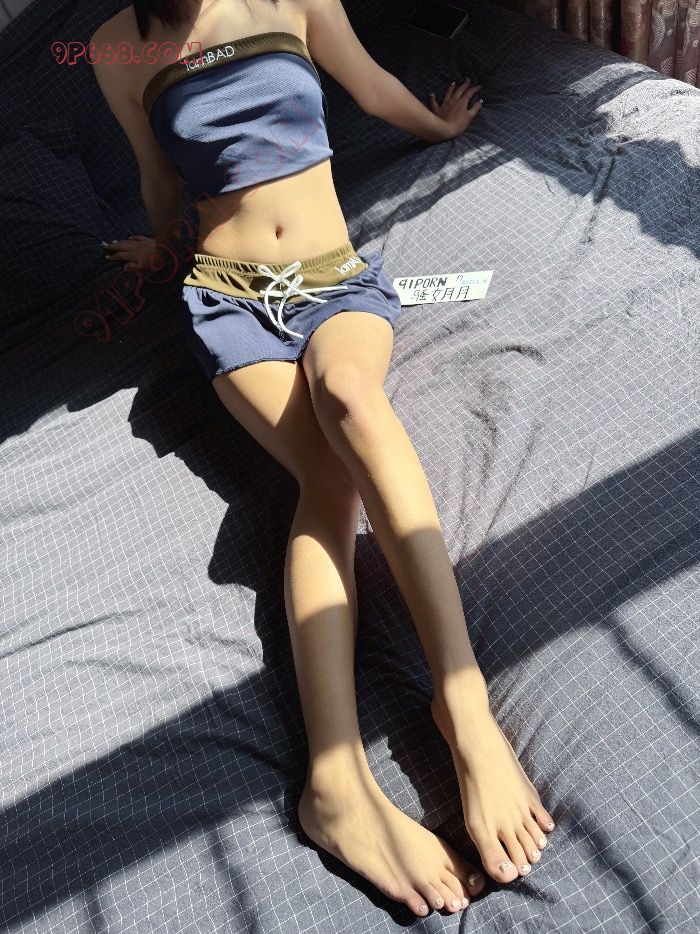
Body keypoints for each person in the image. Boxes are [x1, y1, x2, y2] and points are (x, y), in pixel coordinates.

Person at [91, 0, 555, 918]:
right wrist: (160, 248)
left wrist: (439, 127)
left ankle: (463, 708)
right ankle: (335, 784)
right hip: (226, 295)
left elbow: (370, 86)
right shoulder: (111, 47)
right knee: (328, 478)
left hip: (333, 280)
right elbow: (159, 178)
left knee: (353, 398)